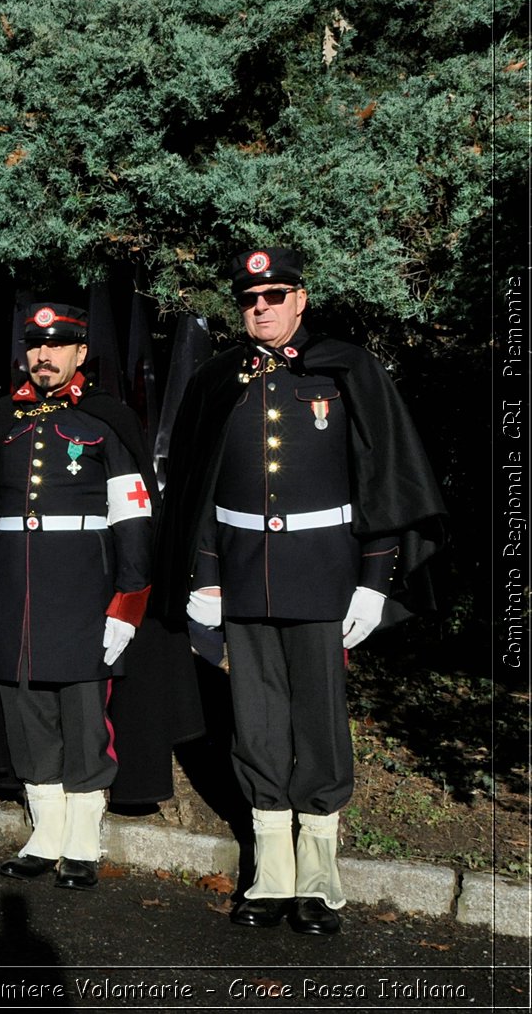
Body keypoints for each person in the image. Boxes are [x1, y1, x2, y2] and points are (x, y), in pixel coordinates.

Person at [157, 247, 445, 935]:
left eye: (276, 295)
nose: (262, 307)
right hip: (244, 577)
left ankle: (318, 872)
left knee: (318, 720)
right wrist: (204, 577)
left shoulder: (347, 369)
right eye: (250, 298)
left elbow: (379, 481)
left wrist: (374, 582)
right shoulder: (218, 378)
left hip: (323, 580)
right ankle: (271, 871)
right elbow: (200, 490)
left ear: (301, 298)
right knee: (255, 721)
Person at [0, 301, 159, 890]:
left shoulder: (106, 421)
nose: (44, 355)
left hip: (85, 595)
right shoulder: (0, 421)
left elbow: (133, 517)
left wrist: (129, 600)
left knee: (85, 714)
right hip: (15, 595)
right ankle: (46, 831)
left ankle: (84, 837)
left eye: (58, 345)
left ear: (79, 353)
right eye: (36, 346)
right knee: (26, 708)